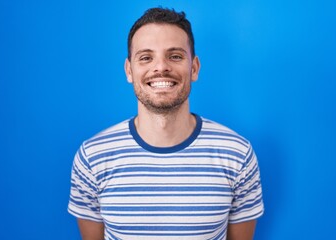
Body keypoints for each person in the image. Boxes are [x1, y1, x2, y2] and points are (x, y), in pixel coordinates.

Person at [68, 7, 264, 240]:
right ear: (129, 70)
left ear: (194, 68)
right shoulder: (92, 157)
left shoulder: (237, 154)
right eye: (146, 57)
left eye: (175, 56)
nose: (160, 67)